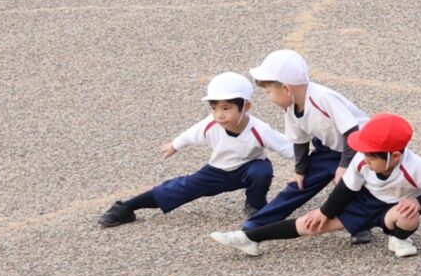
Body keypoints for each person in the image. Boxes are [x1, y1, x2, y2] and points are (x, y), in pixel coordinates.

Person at [212, 112, 421, 260]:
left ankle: (398, 238)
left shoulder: (417, 168)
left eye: (372, 157)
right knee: (310, 225)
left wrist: (419, 203)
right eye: (364, 153)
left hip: (393, 208)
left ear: (394, 156)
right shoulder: (362, 159)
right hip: (364, 202)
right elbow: (346, 189)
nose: (365, 159)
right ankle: (249, 238)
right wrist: (324, 212)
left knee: (408, 217)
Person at [101, 72, 294, 229]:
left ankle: (255, 205)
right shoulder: (211, 124)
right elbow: (190, 135)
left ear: (246, 106)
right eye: (214, 108)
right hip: (217, 171)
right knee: (180, 188)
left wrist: (304, 168)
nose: (219, 115)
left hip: (248, 168)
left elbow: (287, 147)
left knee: (262, 171)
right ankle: (126, 207)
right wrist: (174, 145)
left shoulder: (259, 130)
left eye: (226, 108)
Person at [240, 49, 365, 236]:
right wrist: (300, 171)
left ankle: (359, 227)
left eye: (268, 91)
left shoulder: (323, 97)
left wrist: (345, 165)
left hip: (360, 149)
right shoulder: (290, 107)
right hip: (330, 149)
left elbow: (352, 131)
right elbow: (300, 141)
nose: (268, 96)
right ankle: (255, 224)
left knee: (351, 184)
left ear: (286, 88)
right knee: (299, 184)